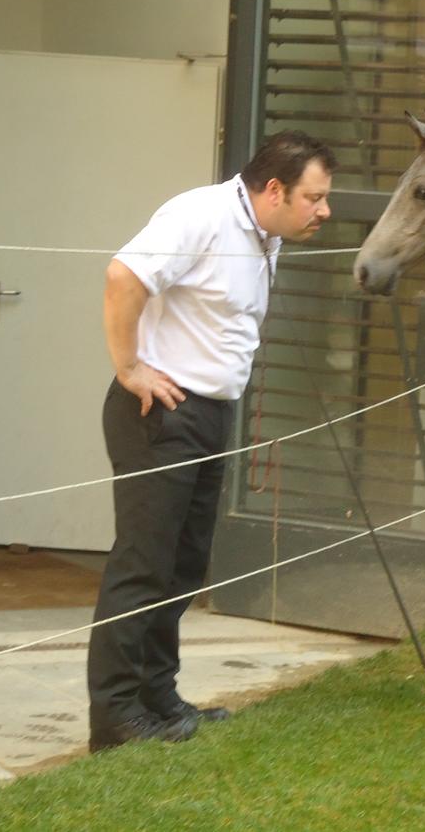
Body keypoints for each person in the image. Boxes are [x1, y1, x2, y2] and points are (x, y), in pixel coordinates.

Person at [87, 131, 336, 753]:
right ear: (274, 189)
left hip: (211, 416)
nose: (324, 211)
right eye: (315, 197)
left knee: (184, 564)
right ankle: (115, 717)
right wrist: (129, 367)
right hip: (159, 412)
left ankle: (157, 696)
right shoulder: (199, 214)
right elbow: (123, 277)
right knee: (143, 565)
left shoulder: (265, 233)